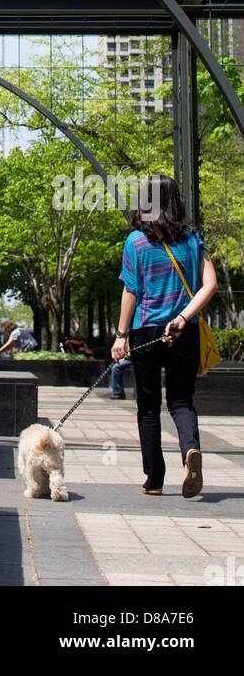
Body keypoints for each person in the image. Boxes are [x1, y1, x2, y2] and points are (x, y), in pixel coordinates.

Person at [112, 174, 217, 497]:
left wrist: (120, 336)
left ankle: (154, 478)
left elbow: (132, 291)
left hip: (146, 331)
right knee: (182, 401)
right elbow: (210, 284)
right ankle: (189, 450)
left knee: (147, 407)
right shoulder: (192, 240)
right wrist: (184, 317)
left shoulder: (136, 241)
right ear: (176, 201)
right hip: (183, 331)